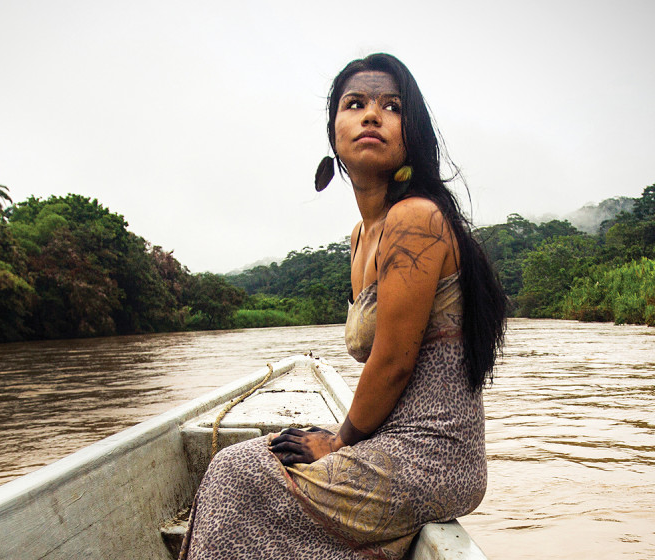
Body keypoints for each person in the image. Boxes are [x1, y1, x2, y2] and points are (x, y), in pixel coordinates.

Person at [179, 53, 506, 560]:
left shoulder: (414, 219)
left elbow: (394, 363)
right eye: (355, 104)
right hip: (389, 441)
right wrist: (342, 436)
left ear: (410, 133)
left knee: (234, 473)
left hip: (435, 456)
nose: (372, 114)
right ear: (334, 134)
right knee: (251, 458)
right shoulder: (360, 237)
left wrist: (338, 440)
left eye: (391, 106)